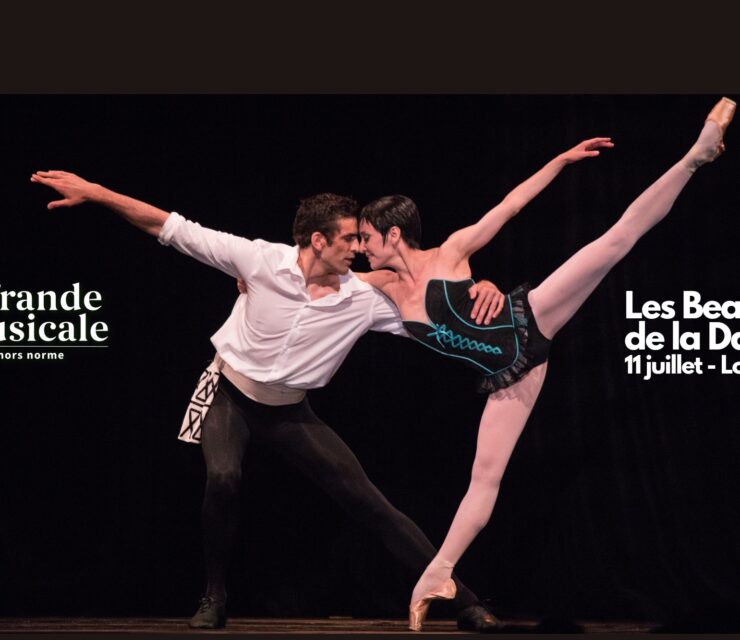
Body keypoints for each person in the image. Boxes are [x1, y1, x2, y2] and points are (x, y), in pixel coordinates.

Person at [28, 177, 506, 632]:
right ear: (318, 240)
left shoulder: (361, 299)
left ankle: (465, 601)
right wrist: (96, 193)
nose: (358, 248)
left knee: (371, 503)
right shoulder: (258, 261)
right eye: (348, 239)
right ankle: (214, 595)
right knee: (223, 477)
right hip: (229, 396)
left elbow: (439, 321)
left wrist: (479, 292)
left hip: (290, 413)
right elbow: (171, 228)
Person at [355, 98, 736, 630]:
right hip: (512, 377)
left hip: (531, 320)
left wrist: (560, 160)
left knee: (615, 241)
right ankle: (437, 575)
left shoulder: (450, 252)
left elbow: (510, 205)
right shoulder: (381, 287)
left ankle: (696, 156)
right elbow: (313, 279)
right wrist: (260, 277)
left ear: (392, 233)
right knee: (484, 479)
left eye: (365, 238)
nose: (360, 249)